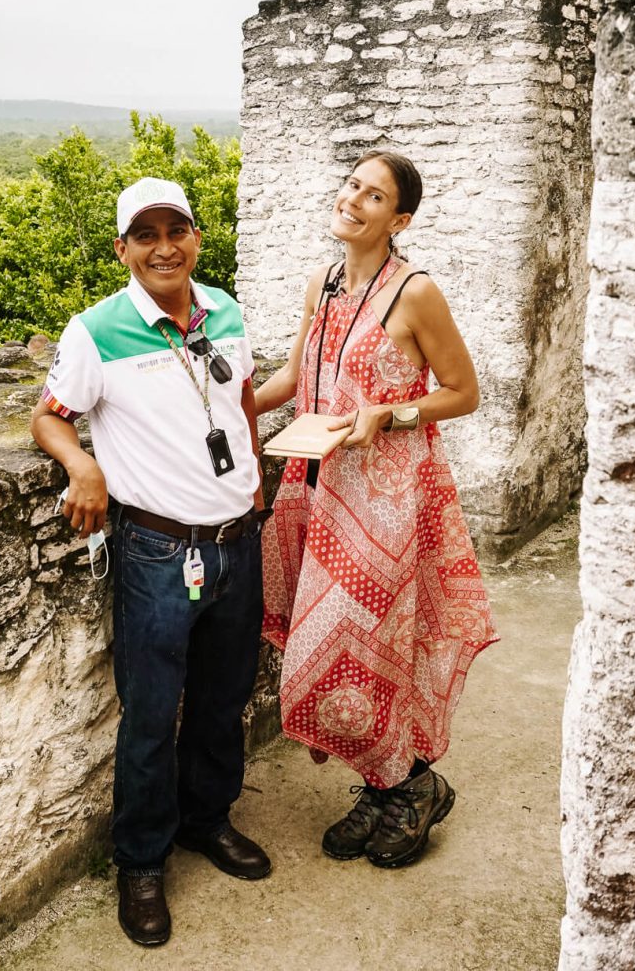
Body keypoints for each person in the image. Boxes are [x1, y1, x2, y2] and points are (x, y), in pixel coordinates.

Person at [31, 177, 270, 948]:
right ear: (123, 248)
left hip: (236, 539)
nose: (164, 246)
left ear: (196, 236)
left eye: (178, 229)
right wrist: (82, 467)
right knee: (148, 715)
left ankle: (207, 821)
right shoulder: (96, 330)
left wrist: (256, 490)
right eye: (146, 234)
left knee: (222, 698)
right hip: (159, 550)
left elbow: (239, 407)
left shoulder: (223, 309)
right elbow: (49, 416)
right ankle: (140, 862)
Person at [255, 149, 498, 868]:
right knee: (340, 652)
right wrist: (230, 402)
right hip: (317, 488)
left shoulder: (414, 292)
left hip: (388, 499)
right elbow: (298, 375)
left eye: (373, 195)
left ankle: (409, 785)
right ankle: (391, 782)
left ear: (399, 219)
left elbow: (461, 391)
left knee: (364, 643)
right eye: (350, 185)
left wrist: (388, 415)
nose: (353, 200)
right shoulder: (323, 282)